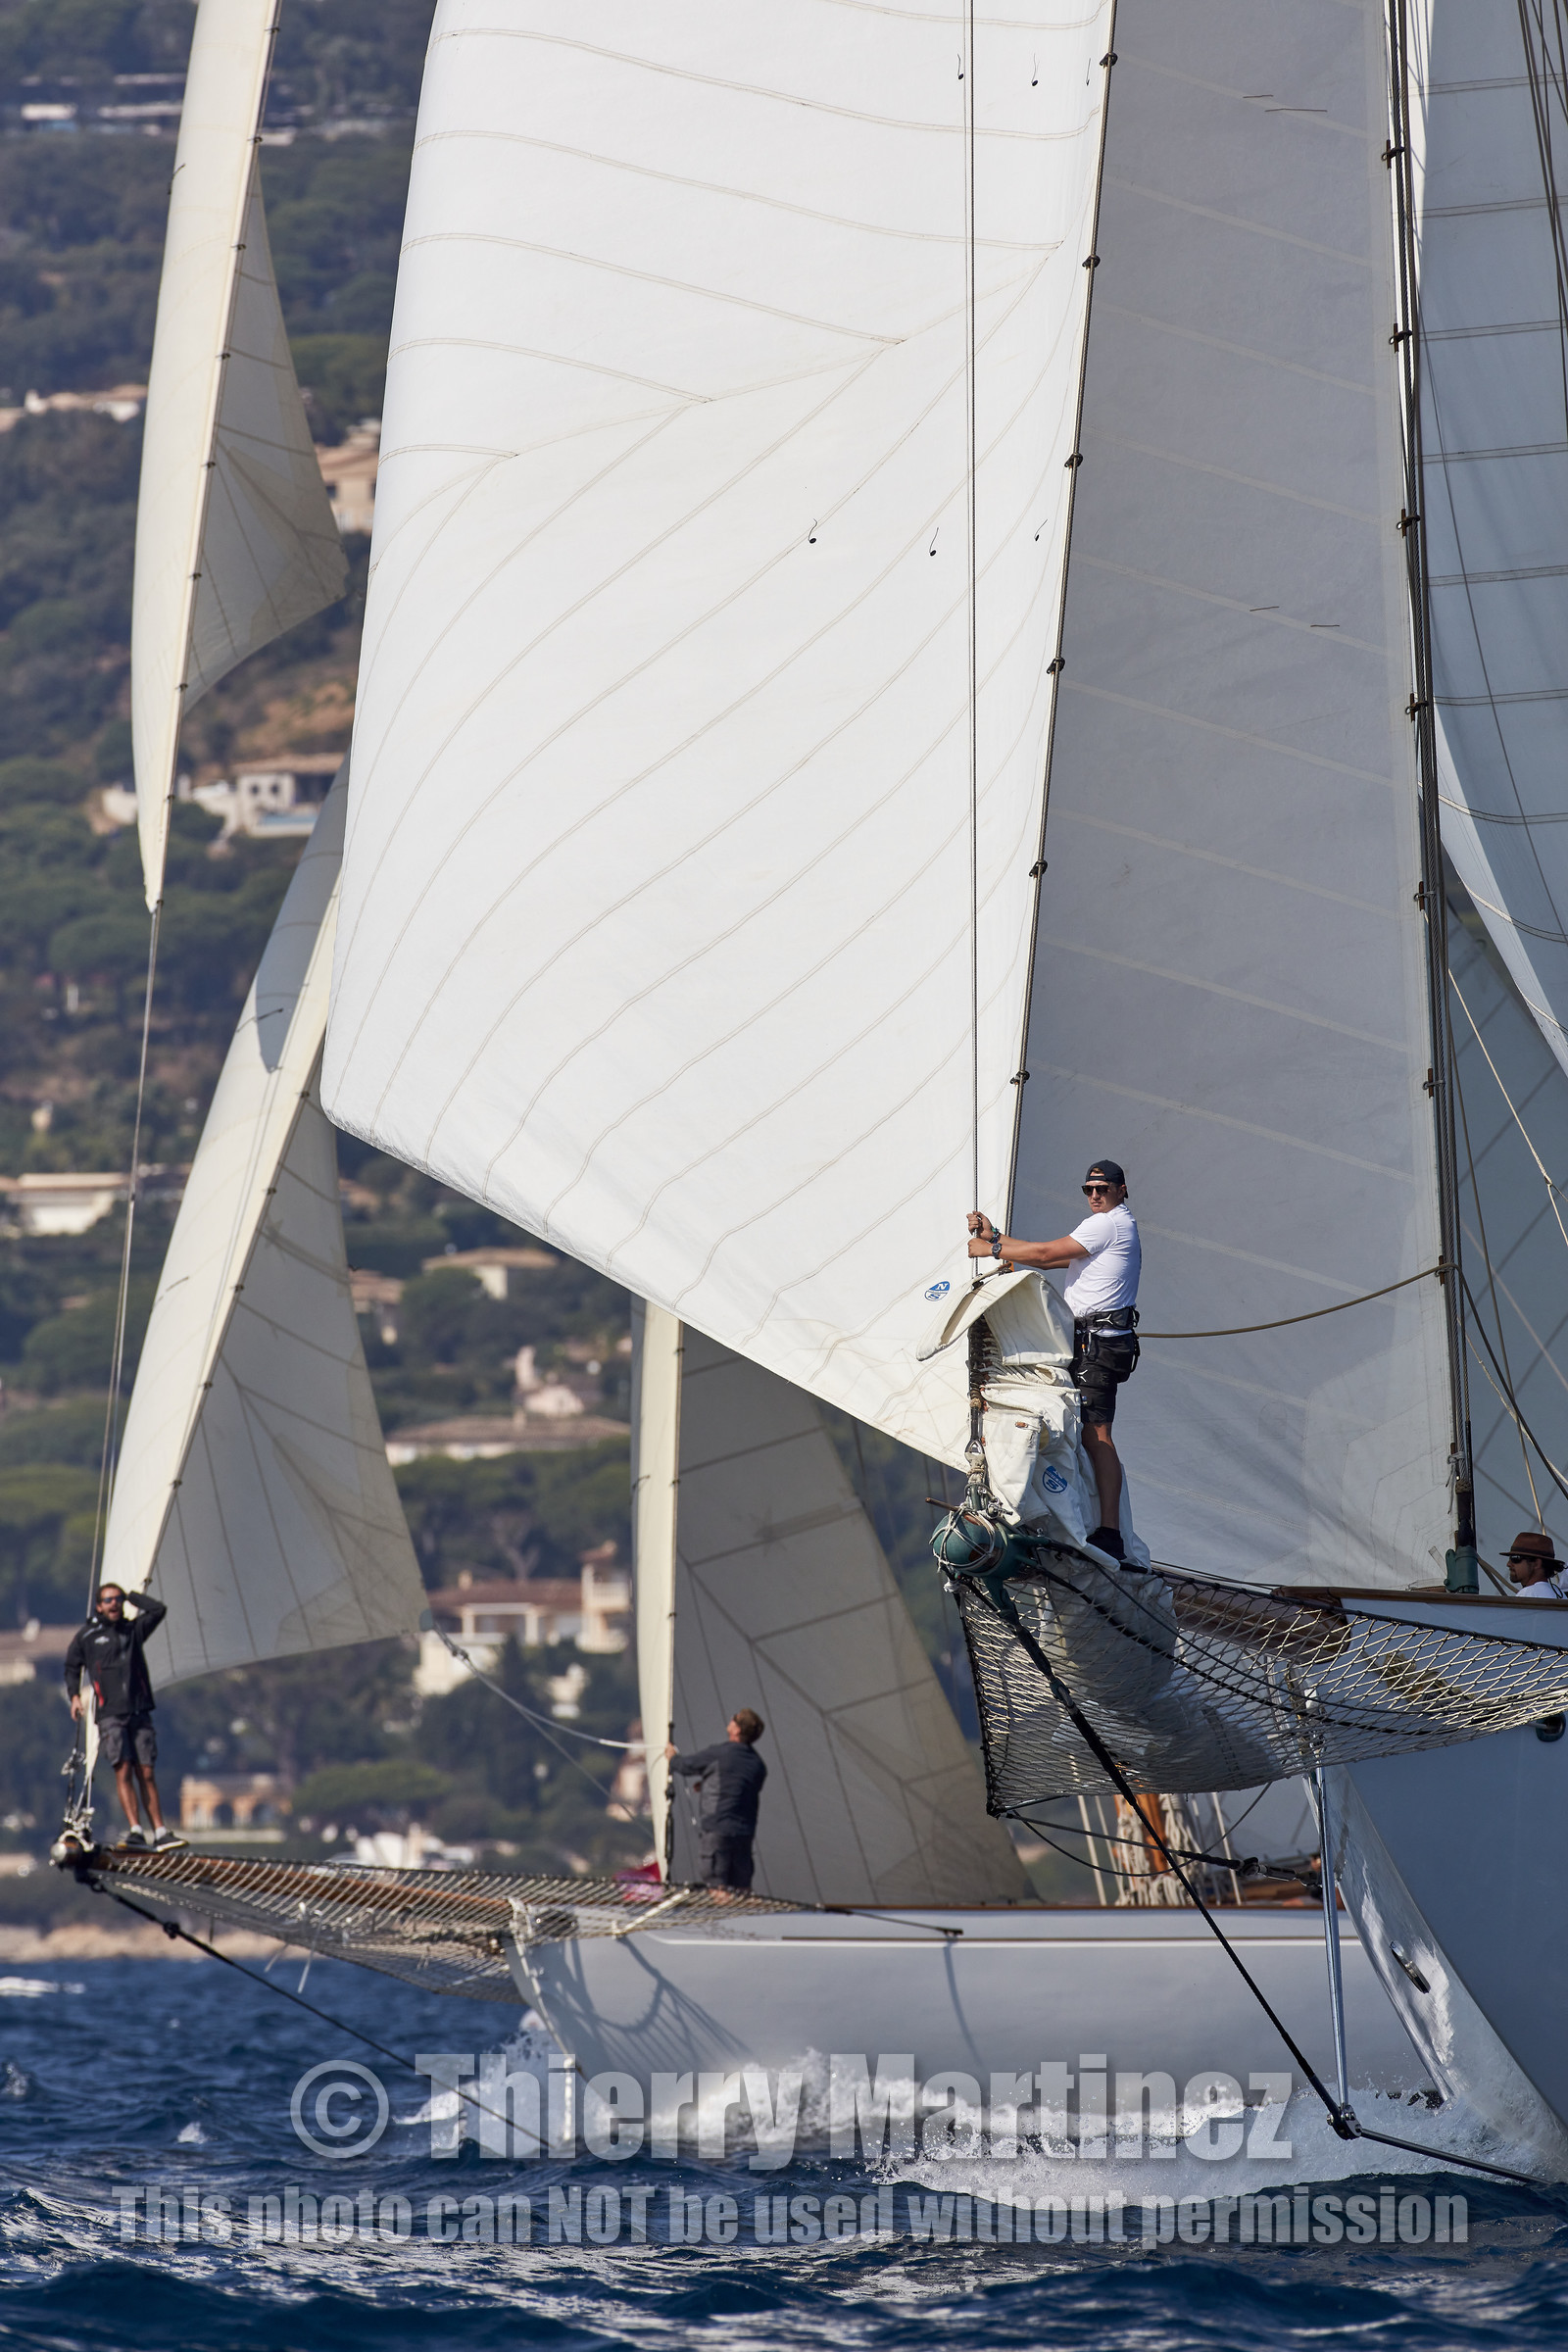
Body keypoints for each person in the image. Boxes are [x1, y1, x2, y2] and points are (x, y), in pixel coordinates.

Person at [968, 1159, 1142, 1562]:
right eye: (1088, 1189)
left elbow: (1046, 1255)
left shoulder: (1106, 1223)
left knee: (1097, 1437)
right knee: (1088, 1435)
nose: (1095, 1195)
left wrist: (990, 1248)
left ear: (1120, 1190)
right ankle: (1094, 1523)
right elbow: (1062, 1259)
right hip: (1101, 1342)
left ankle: (1110, 1533)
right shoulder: (1116, 1225)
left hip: (1097, 1345)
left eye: (1102, 1188)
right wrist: (999, 1237)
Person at [63, 1584, 184, 1850]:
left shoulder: (133, 1630)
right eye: (108, 1600)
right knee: (124, 1769)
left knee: (147, 1772)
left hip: (139, 1710)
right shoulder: (88, 1637)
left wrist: (132, 1595)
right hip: (110, 1715)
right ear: (99, 1606)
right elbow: (72, 1666)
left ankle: (161, 1831)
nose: (114, 1604)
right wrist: (74, 1696)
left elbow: (158, 1610)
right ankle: (135, 1830)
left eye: (117, 1600)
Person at [664, 1709, 766, 1891]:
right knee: (742, 1889)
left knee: (716, 1886)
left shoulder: (719, 1754)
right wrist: (707, 1784)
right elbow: (740, 1787)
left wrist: (672, 1757)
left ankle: (726, 1915)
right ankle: (743, 1918)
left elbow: (686, 1766)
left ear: (736, 1730)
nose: (730, 1720)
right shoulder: (758, 1764)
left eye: (734, 1719)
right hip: (744, 1833)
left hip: (718, 1831)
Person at [1505, 1531, 1568, 1598]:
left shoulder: (1528, 1593)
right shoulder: (1561, 1594)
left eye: (1515, 1558)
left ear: (1537, 1563)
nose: (1508, 1564)